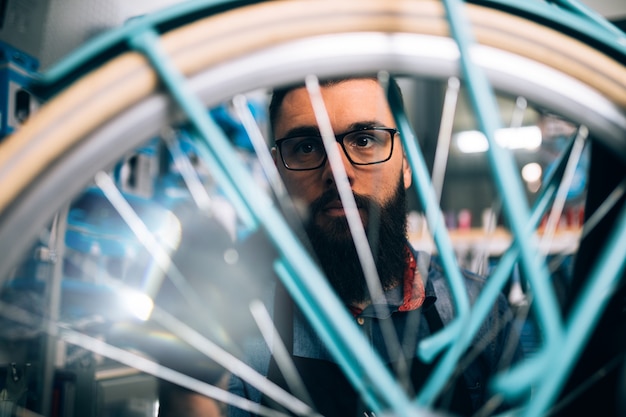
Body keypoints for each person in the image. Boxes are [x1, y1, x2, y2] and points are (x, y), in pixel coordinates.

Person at [228, 77, 522, 416]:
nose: (338, 172)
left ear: (407, 162)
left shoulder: (480, 312)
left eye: (365, 140)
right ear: (277, 170)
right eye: (306, 147)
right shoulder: (239, 326)